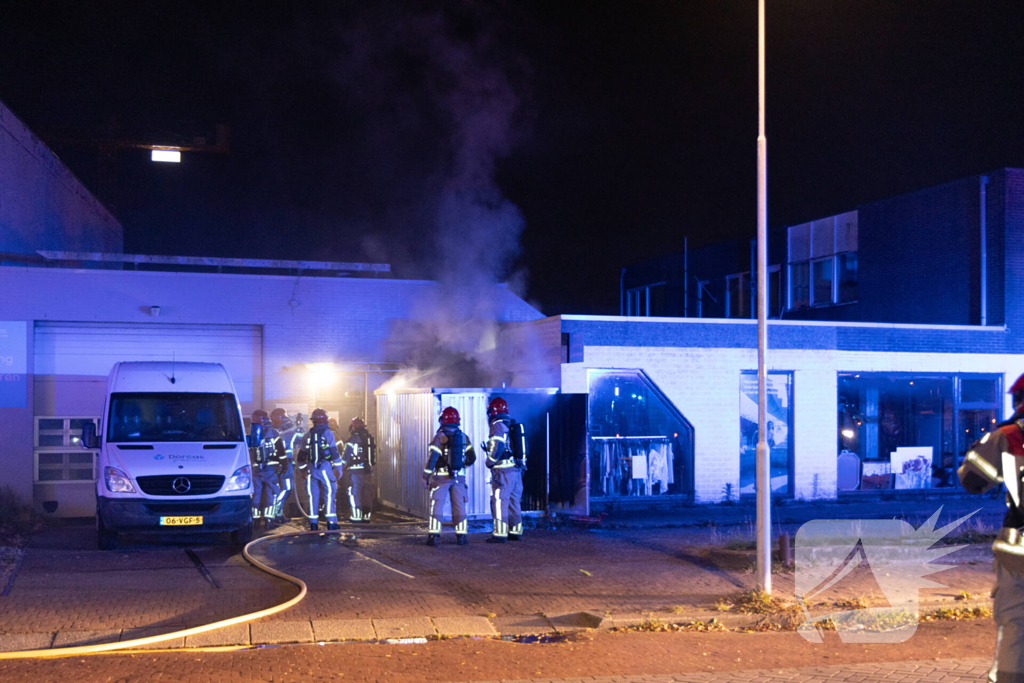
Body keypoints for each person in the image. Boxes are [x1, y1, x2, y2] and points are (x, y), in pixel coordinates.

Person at [959, 372, 1024, 682]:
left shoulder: (1010, 437)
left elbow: (972, 481)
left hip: (1019, 552)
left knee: (1017, 625)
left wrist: (983, 443)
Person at [423, 407, 475, 546]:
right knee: (459, 505)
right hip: (459, 478)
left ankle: (434, 536)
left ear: (442, 420)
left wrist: (425, 476)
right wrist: (459, 466)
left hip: (442, 478)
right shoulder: (464, 437)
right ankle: (462, 536)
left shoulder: (440, 437)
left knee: (437, 504)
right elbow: (472, 458)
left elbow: (432, 459)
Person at [484, 397, 527, 543]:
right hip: (515, 470)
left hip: (503, 472)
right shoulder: (511, 424)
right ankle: (515, 531)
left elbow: (498, 448)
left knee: (499, 500)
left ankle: (500, 534)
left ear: (492, 411)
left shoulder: (497, 425)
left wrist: (489, 461)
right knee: (514, 501)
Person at [296, 408, 342, 531]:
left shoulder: (307, 435)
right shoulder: (328, 434)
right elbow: (334, 453)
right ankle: (331, 523)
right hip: (325, 468)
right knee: (329, 495)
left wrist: (302, 470)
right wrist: (339, 469)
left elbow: (301, 456)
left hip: (311, 469)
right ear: (324, 420)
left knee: (312, 497)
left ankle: (313, 524)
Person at [249, 410, 284, 529]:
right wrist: (285, 465)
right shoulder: (274, 433)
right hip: (271, 469)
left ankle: (255, 520)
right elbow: (281, 452)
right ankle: (269, 520)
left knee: (256, 494)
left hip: (256, 469)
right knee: (271, 493)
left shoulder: (251, 433)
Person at [341, 417, 376, 523]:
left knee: (354, 492)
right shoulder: (369, 438)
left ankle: (356, 516)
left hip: (355, 471)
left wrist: (338, 469)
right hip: (367, 470)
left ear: (353, 427)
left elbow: (345, 456)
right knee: (367, 492)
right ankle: (367, 516)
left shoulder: (352, 439)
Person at [270, 408, 301, 523]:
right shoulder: (290, 433)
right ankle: (274, 513)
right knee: (286, 489)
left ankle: (277, 514)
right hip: (286, 466)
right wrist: (301, 429)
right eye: (284, 417)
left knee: (278, 489)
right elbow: (303, 439)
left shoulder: (271, 433)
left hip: (275, 466)